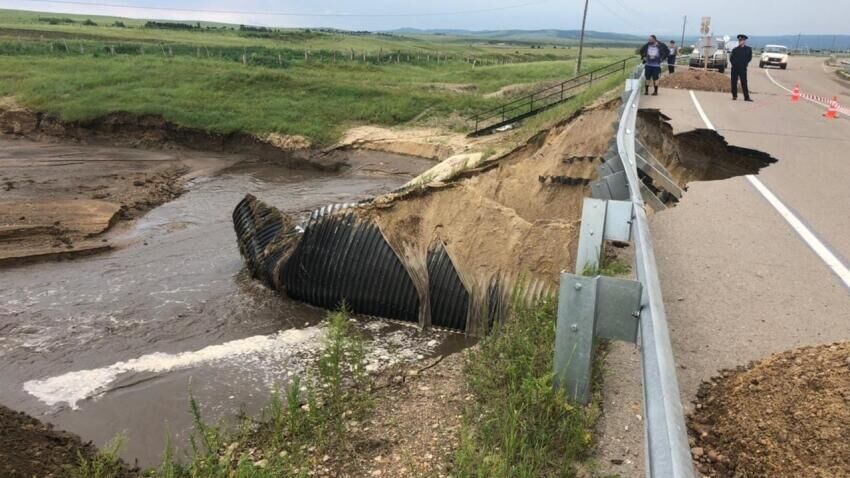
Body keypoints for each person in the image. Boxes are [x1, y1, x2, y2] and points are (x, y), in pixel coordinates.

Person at [730, 34, 753, 101]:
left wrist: (745, 63)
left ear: (744, 41)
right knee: (733, 82)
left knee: (744, 83)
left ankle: (746, 97)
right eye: (739, 40)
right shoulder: (735, 50)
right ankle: (734, 96)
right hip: (735, 68)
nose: (740, 41)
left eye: (742, 40)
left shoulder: (748, 49)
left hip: (743, 68)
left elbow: (749, 58)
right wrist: (734, 64)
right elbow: (731, 58)